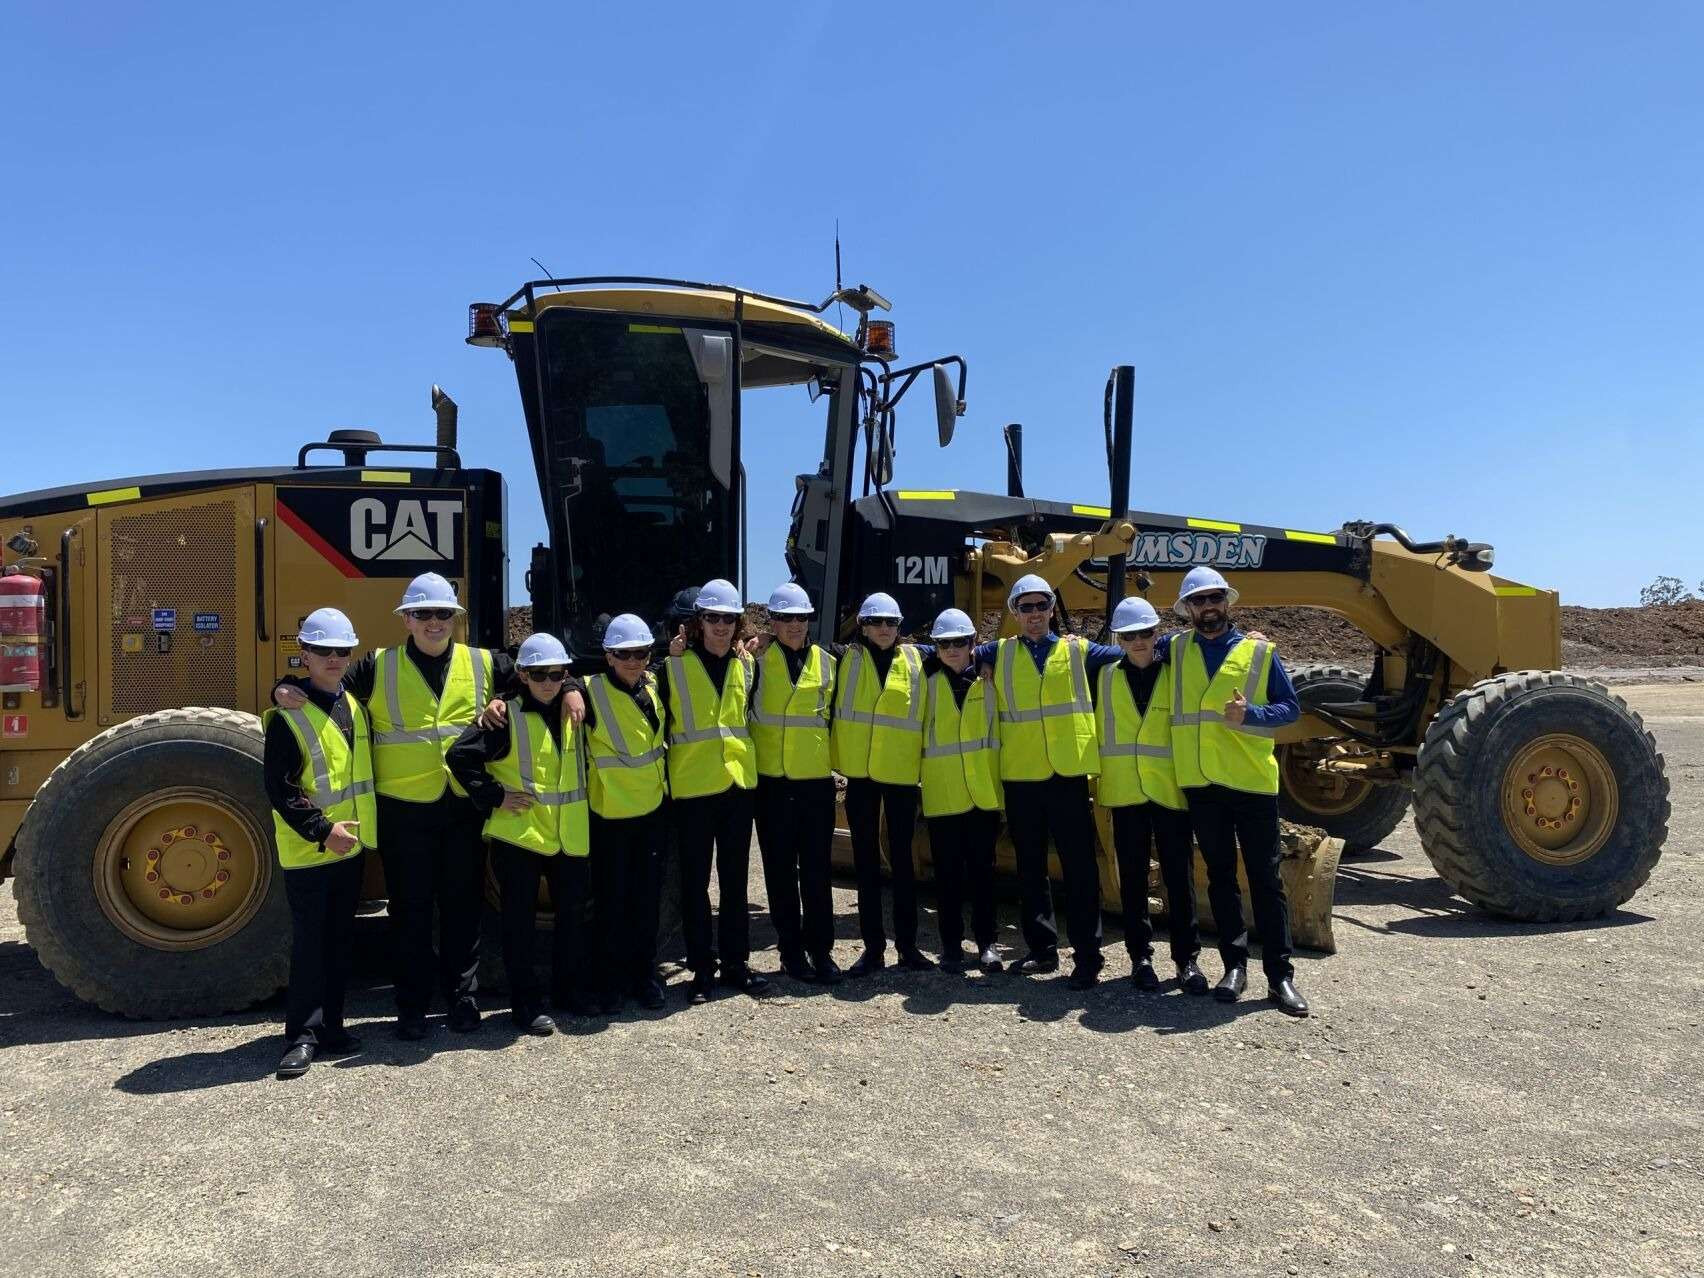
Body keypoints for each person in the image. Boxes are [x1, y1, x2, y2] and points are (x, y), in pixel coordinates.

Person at [273, 573, 538, 1040]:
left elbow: (540, 676)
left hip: (462, 808)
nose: (433, 622)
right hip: (403, 814)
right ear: (407, 620)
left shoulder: (484, 662)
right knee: (410, 913)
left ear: (454, 619)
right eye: (423, 614)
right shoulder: (377, 665)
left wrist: (563, 688)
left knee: (462, 909)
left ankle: (462, 1000)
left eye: (442, 614)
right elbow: (320, 688)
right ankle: (411, 1007)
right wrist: (282, 685)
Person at [1157, 567, 1309, 1017]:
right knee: (1221, 877)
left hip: (1251, 784)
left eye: (1215, 598)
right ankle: (1234, 966)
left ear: (1228, 603)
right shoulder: (1175, 647)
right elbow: (1134, 647)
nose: (1208, 607)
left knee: (1266, 880)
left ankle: (1280, 976)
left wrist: (1253, 714)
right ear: (1187, 609)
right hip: (1203, 785)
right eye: (1199, 601)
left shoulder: (1259, 652)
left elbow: (1291, 709)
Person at [973, 574, 1123, 989]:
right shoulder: (997, 652)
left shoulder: (1079, 651)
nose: (1035, 614)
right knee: (1031, 869)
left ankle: (1088, 958)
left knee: (1079, 869)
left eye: (1041, 606)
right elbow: (946, 652)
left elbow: (1129, 649)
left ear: (1052, 611)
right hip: (1021, 777)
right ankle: (1042, 950)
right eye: (1026, 607)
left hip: (1067, 775)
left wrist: (1168, 642)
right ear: (1014, 614)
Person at [446, 632, 591, 1036]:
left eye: (557, 674)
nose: (549, 682)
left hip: (569, 836)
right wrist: (494, 796)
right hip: (520, 838)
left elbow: (624, 674)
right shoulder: (503, 717)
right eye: (540, 674)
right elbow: (459, 756)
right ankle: (525, 1005)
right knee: (519, 927)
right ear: (523, 675)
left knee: (573, 921)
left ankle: (569, 992)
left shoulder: (574, 706)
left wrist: (574, 688)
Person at [263, 608, 377, 1079]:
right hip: (311, 849)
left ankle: (332, 1027)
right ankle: (301, 1037)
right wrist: (321, 831)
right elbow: (281, 788)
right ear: (304, 654)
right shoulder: (287, 717)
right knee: (311, 945)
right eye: (323, 650)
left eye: (342, 651)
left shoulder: (353, 703)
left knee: (339, 942)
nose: (334, 658)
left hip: (348, 847)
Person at [659, 580, 767, 1004]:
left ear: (738, 623)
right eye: (712, 618)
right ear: (697, 622)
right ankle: (702, 971)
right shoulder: (670, 669)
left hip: (737, 787)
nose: (720, 626)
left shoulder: (747, 666)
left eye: (728, 619)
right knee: (695, 885)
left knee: (736, 882)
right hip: (693, 791)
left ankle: (736, 965)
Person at [1094, 596, 1207, 994]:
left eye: (1145, 633)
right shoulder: (1104, 675)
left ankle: (1186, 960)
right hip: (1126, 792)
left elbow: (1208, 642)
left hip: (1170, 789)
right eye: (1130, 635)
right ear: (1118, 639)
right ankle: (1140, 957)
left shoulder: (1178, 670)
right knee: (1134, 878)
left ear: (1156, 634)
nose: (1139, 640)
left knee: (1179, 877)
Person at [833, 592, 934, 977]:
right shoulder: (843, 657)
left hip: (901, 777)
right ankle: (873, 949)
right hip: (861, 777)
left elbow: (963, 650)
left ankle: (908, 948)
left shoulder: (918, 658)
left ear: (900, 626)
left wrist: (987, 659)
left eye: (891, 623)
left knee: (904, 863)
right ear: (862, 625)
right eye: (876, 622)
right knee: (866, 864)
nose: (884, 629)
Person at [748, 582, 842, 985]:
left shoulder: (829, 661)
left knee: (818, 872)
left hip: (815, 784)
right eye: (785, 618)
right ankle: (791, 953)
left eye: (801, 618)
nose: (794, 625)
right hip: (771, 784)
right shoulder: (753, 659)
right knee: (780, 873)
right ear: (772, 621)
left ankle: (821, 952)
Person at [582, 613, 670, 1012]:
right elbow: (539, 686)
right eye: (624, 654)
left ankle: (644, 976)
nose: (633, 661)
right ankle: (608, 983)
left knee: (646, 902)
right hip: (611, 816)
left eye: (640, 653)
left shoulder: (652, 687)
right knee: (611, 904)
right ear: (608, 656)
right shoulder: (588, 692)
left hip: (652, 811)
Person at [918, 608, 1003, 974]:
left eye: (960, 642)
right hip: (943, 793)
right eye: (944, 643)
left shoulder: (991, 679)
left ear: (973, 644)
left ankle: (987, 944)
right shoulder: (925, 681)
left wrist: (988, 657)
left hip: (983, 792)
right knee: (948, 876)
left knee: (984, 874)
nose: (952, 649)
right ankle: (951, 946)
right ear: (936, 646)